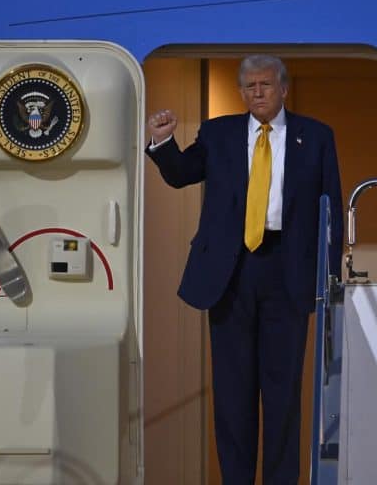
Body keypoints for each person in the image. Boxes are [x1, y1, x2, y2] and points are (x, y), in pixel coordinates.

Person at [146, 55, 343, 484]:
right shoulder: (218, 133)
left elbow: (333, 214)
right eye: (249, 86)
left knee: (283, 393)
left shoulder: (317, 136)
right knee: (233, 393)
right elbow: (181, 174)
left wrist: (329, 280)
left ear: (283, 89)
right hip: (231, 273)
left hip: (288, 271)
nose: (257, 93)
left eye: (265, 85)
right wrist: (163, 143)